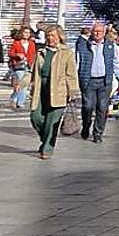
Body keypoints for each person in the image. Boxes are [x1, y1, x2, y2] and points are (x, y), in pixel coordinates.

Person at [29, 25, 78, 159]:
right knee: (35, 117)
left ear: (60, 37)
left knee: (52, 122)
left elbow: (71, 74)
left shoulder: (67, 53)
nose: (50, 38)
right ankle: (45, 139)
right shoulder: (41, 52)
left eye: (53, 36)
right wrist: (22, 84)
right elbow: (33, 71)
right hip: (41, 90)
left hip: (58, 91)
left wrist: (72, 91)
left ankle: (47, 149)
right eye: (48, 36)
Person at [75, 22, 119, 143]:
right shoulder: (83, 45)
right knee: (87, 107)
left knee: (102, 108)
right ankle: (86, 126)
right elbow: (77, 62)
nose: (97, 34)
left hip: (104, 81)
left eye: (100, 32)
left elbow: (115, 64)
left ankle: (98, 133)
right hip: (88, 81)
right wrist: (74, 80)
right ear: (91, 32)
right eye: (95, 31)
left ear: (104, 33)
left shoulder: (111, 46)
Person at [8, 26, 37, 110]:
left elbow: (33, 54)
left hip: (28, 66)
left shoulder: (31, 43)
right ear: (21, 33)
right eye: (25, 32)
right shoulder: (16, 43)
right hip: (19, 66)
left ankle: (16, 100)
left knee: (25, 84)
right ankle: (18, 101)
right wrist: (17, 55)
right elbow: (10, 53)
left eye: (29, 33)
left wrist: (33, 64)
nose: (27, 34)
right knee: (21, 84)